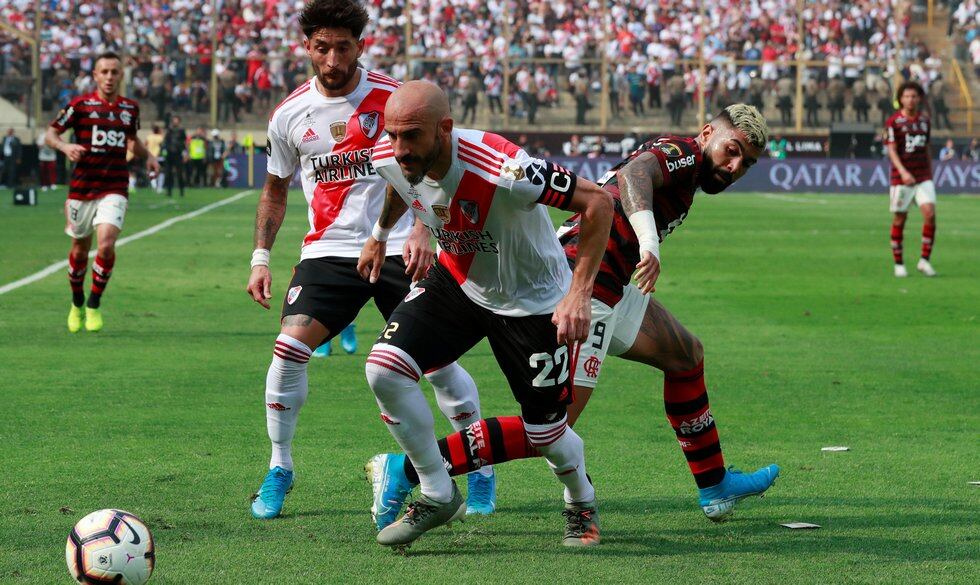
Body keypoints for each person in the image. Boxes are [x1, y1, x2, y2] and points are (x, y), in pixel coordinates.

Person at [366, 104, 780, 531]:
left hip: (615, 283)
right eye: (732, 150)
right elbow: (635, 174)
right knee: (551, 429)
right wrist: (649, 242)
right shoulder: (684, 153)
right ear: (708, 133)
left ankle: (715, 484)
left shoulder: (690, 169)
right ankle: (406, 470)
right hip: (587, 284)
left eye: (746, 163)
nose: (734, 167)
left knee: (685, 356)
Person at [244, 0, 490, 523]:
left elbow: (436, 167)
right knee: (288, 349)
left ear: (361, 45)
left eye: (343, 47)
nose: (333, 60)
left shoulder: (395, 100)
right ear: (306, 47)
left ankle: (481, 467)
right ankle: (280, 466)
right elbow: (274, 189)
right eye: (322, 48)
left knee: (437, 363)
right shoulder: (289, 114)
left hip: (401, 244)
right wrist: (260, 257)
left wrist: (423, 227)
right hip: (328, 251)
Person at [358, 80, 614, 548]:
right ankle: (438, 492)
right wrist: (379, 234)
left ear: (445, 128)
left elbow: (598, 200)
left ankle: (581, 500)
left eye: (411, 136)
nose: (399, 148)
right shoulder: (390, 155)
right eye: (392, 135)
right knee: (383, 371)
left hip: (532, 301)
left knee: (546, 433)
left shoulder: (505, 166)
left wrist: (579, 293)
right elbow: (399, 181)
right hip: (458, 282)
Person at [45, 51, 159, 333]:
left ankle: (94, 303)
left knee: (106, 244)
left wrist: (149, 156)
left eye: (114, 72)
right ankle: (77, 302)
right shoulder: (80, 106)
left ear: (121, 76)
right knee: (80, 249)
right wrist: (65, 147)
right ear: (95, 75)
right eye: (104, 72)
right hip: (81, 188)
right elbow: (51, 134)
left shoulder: (130, 109)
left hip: (114, 186)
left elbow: (131, 141)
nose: (109, 77)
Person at [885, 81, 937, 278]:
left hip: (923, 176)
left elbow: (927, 147)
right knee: (900, 218)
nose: (910, 100)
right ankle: (899, 263)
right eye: (906, 96)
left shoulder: (925, 121)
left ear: (919, 98)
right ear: (900, 99)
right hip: (901, 178)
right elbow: (891, 150)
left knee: (930, 214)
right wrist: (903, 172)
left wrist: (930, 172)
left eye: (914, 96)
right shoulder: (894, 122)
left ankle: (924, 261)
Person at [162, 116, 187, 198]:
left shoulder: (181, 131)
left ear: (179, 121)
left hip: (178, 154)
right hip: (169, 154)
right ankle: (169, 191)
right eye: (174, 120)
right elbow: (165, 141)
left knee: (179, 173)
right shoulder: (169, 130)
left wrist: (185, 154)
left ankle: (181, 190)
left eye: (176, 120)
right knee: (168, 173)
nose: (175, 122)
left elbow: (184, 143)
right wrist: (164, 150)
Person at [145, 125, 165, 193]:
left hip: (150, 157)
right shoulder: (160, 137)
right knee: (161, 171)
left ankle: (154, 186)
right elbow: (163, 145)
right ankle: (159, 188)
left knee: (151, 171)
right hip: (158, 156)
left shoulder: (149, 137)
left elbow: (145, 145)